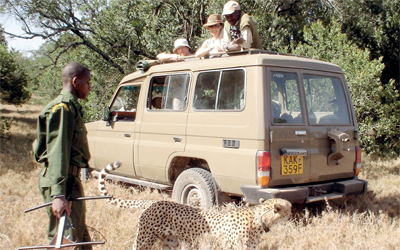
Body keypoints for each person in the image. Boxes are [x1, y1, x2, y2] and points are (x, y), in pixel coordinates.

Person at [33, 62, 93, 249]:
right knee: (66, 241)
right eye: (88, 82)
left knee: (79, 236)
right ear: (75, 81)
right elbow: (58, 150)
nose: (90, 87)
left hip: (69, 178)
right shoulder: (63, 109)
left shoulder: (72, 108)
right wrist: (58, 194)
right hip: (62, 180)